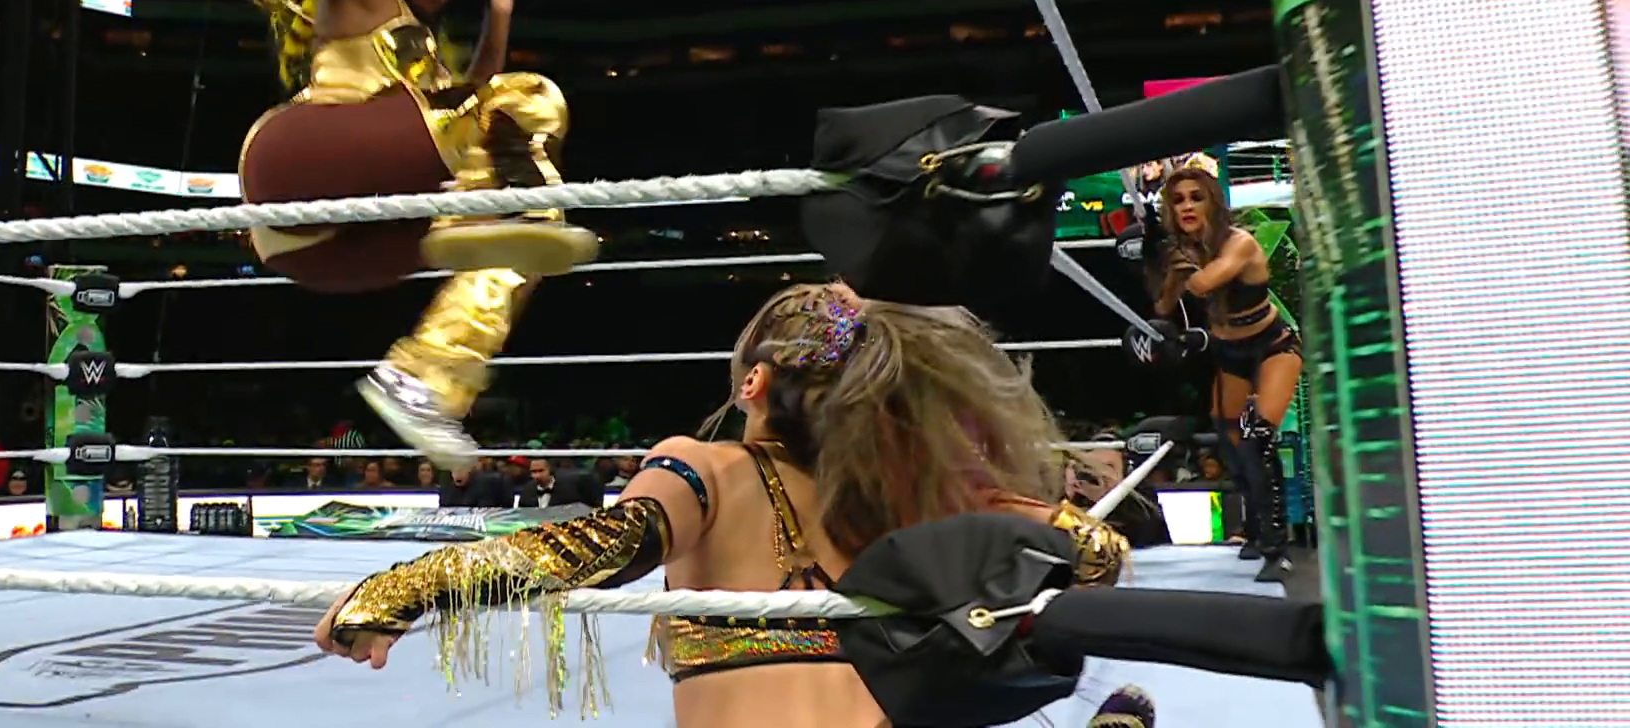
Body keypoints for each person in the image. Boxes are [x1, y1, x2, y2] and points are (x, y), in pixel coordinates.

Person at [314, 283, 1129, 726]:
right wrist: (993, 502)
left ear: (754, 382)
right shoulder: (896, 503)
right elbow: (1098, 555)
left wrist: (405, 588)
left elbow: (601, 546)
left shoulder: (707, 464)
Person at [195, 0, 598, 467]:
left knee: (519, 241)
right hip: (305, 156)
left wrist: (498, 18)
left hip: (328, 243)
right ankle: (500, 211)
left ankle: (424, 379)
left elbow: (472, 97)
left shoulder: (424, 56)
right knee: (532, 102)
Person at [1148, 166, 1302, 582]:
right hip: (1230, 352)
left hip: (1273, 347)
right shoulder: (1185, 251)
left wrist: (1182, 266)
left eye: (1195, 198)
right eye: (1178, 200)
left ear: (1212, 203)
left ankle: (1277, 549)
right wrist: (1164, 267)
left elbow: (1204, 284)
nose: (1187, 207)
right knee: (1227, 433)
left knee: (1256, 438)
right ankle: (1253, 529)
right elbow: (1164, 307)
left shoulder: (1239, 243)